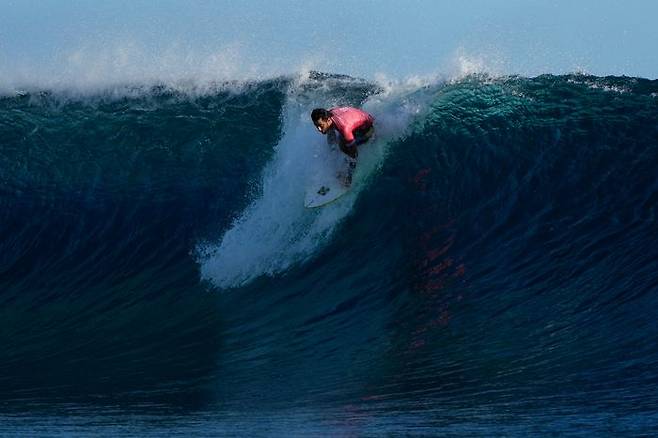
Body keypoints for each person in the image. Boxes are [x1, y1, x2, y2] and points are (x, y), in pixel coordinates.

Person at [311, 107, 375, 160]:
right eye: (316, 126)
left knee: (342, 146)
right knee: (330, 133)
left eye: (321, 126)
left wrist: (348, 174)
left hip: (368, 129)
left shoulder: (344, 128)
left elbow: (354, 155)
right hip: (358, 118)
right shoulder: (329, 114)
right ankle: (333, 151)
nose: (319, 129)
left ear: (328, 120)